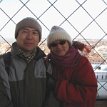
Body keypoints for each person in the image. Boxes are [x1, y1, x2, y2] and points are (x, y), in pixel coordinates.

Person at [0, 17, 47, 107]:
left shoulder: (46, 63)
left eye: (34, 33)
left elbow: (52, 92)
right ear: (17, 36)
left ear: (39, 38)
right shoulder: (3, 64)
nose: (29, 37)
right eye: (25, 31)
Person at [46, 26, 98, 107]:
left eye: (62, 42)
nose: (59, 46)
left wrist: (58, 86)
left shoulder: (82, 63)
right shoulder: (48, 63)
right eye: (54, 44)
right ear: (50, 48)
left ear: (69, 43)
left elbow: (89, 94)